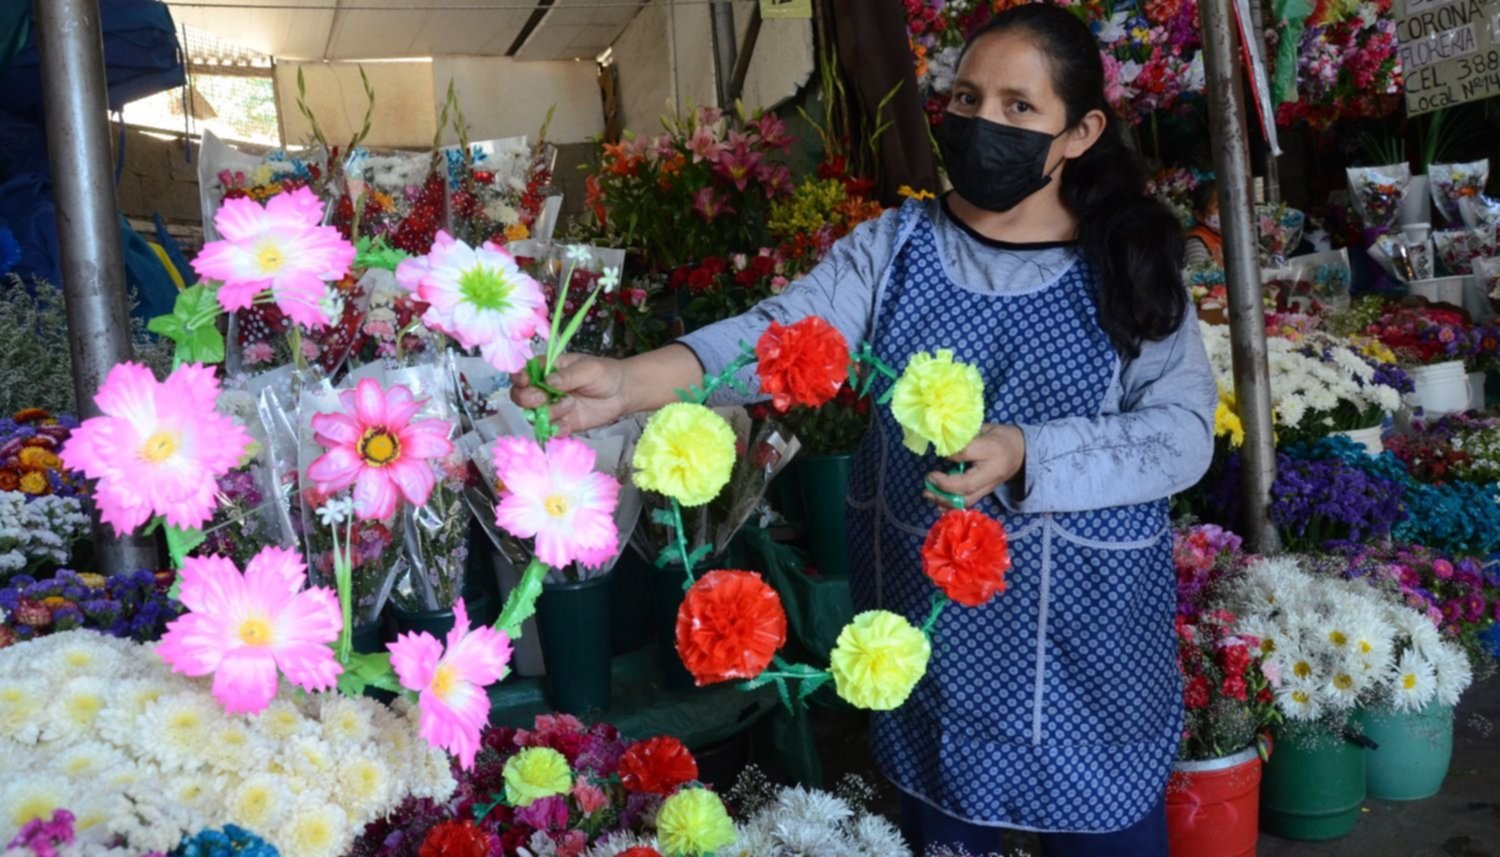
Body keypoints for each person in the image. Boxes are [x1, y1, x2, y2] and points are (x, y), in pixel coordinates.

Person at [513, 4, 1216, 854]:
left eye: (1018, 108)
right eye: (966, 100)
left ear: (1080, 131)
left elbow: (1181, 433)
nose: (983, 124)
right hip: (941, 651)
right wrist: (630, 382)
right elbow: (780, 338)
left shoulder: (1129, 260)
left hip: (1090, 643)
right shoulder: (900, 249)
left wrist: (1031, 451)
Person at [1184, 179, 1224, 267]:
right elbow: (1198, 276)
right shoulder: (1197, 241)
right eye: (1218, 206)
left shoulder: (1232, 239)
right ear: (1199, 215)